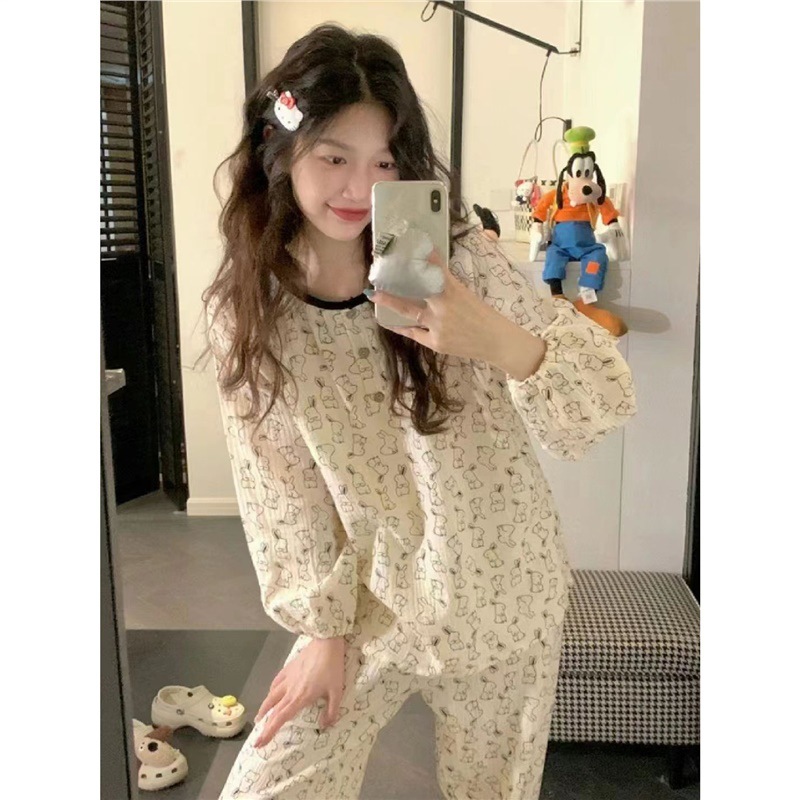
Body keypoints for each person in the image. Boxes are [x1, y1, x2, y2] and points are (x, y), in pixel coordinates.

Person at [203, 23, 636, 800]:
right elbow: (279, 486)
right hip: (373, 604)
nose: (359, 189)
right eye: (334, 157)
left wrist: (490, 336)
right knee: (271, 784)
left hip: (499, 590)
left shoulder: (459, 260)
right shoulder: (252, 309)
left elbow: (602, 402)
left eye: (385, 162)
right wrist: (323, 628)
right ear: (281, 152)